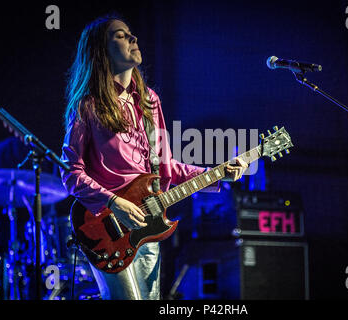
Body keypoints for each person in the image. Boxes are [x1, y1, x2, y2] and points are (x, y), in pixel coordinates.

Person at [60, 14, 248, 300]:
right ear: (101, 51)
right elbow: (70, 172)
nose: (133, 38)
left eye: (131, 33)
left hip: (147, 227)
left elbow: (166, 168)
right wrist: (114, 201)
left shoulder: (150, 101)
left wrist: (219, 172)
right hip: (105, 226)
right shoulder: (88, 105)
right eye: (120, 35)